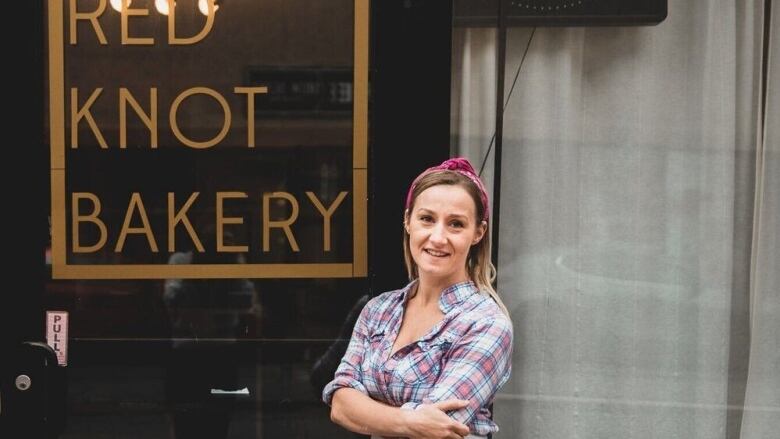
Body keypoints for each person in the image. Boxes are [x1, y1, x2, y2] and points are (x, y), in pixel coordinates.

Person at [322, 157, 513, 439]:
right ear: (408, 221)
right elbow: (340, 404)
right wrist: (410, 420)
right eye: (427, 218)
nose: (437, 237)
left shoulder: (487, 323)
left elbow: (438, 428)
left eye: (456, 224)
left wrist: (371, 411)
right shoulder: (378, 310)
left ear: (478, 233)